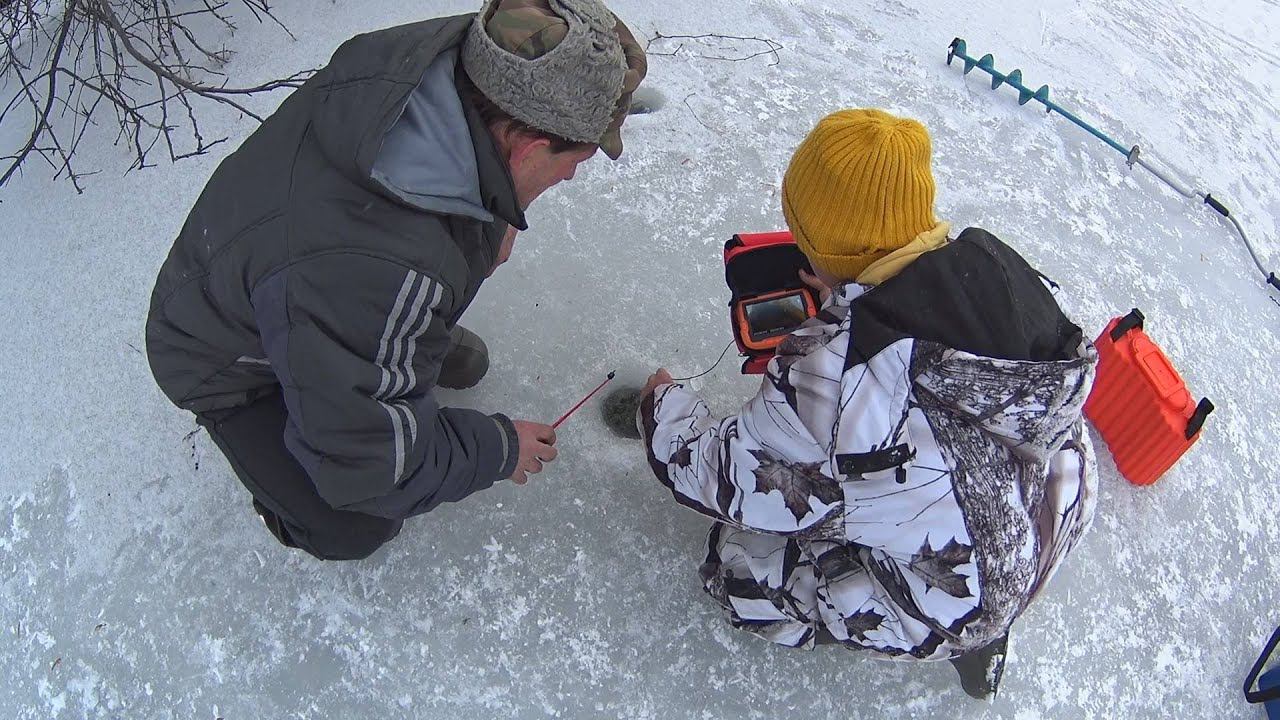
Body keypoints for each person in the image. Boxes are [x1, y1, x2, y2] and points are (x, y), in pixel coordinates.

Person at [144, 0, 647, 561]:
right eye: (575, 161)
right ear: (528, 148)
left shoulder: (439, 65)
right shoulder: (374, 269)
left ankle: (350, 369)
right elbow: (376, 473)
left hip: (282, 281)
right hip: (225, 362)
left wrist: (498, 214)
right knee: (355, 525)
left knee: (463, 362)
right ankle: (284, 489)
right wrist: (499, 448)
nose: (571, 176)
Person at [639, 109, 1098, 698]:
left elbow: (724, 476)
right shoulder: (1002, 272)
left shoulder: (831, 374)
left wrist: (661, 409)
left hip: (956, 592)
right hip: (1048, 522)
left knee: (739, 568)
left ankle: (961, 634)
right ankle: (985, 625)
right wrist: (850, 289)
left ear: (821, 248)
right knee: (919, 500)